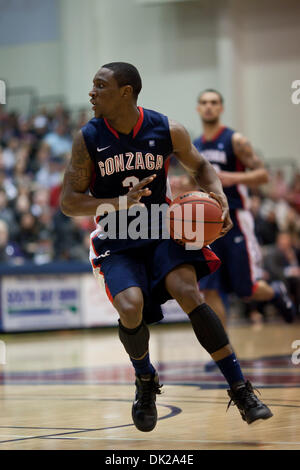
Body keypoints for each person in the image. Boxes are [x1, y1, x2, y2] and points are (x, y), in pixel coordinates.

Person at [60, 63, 272, 432]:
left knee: (187, 290)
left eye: (100, 86)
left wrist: (218, 195)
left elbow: (202, 166)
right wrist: (118, 203)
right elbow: (68, 202)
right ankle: (145, 380)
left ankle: (240, 388)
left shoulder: (167, 129)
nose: (91, 92)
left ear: (126, 92)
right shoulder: (88, 138)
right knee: (130, 307)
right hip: (118, 236)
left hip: (163, 228)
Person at [194, 89, 296, 328]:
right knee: (209, 290)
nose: (209, 106)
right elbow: (196, 180)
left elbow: (263, 175)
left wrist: (231, 177)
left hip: (236, 218)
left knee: (246, 289)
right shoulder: (195, 145)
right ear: (198, 108)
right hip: (206, 222)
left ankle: (276, 292)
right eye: (204, 103)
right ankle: (222, 350)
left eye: (214, 102)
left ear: (221, 108)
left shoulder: (235, 141)